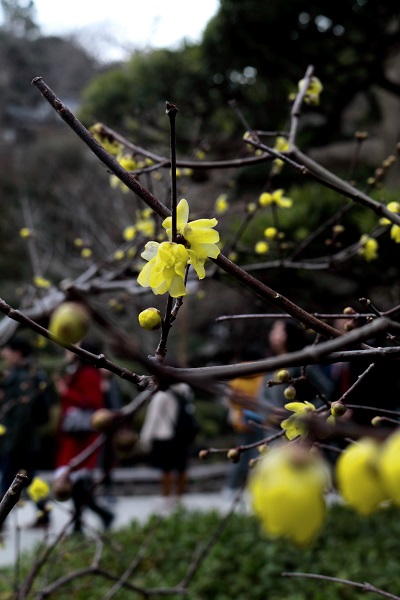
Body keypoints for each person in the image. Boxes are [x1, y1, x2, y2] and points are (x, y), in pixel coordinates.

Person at [54, 341, 114, 533]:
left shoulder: (88, 374)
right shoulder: (78, 372)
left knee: (79, 483)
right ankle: (84, 521)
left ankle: (89, 519)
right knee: (77, 483)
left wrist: (67, 393)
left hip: (81, 437)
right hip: (75, 435)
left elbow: (94, 402)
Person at [0, 336, 51, 527]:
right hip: (20, 439)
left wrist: (11, 442)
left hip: (19, 440)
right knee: (27, 479)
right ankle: (44, 512)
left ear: (17, 353)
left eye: (7, 352)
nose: (4, 355)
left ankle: (1, 520)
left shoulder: (26, 377)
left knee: (8, 479)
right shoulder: (19, 374)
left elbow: (22, 415)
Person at [139, 382, 197, 503]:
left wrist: (145, 438)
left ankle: (166, 497)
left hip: (164, 435)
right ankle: (180, 497)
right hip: (181, 436)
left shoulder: (161, 394)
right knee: (181, 468)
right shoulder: (185, 389)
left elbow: (153, 417)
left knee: (166, 469)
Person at [224, 347, 266, 493]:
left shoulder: (237, 378)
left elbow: (232, 402)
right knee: (258, 453)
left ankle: (231, 486)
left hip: (242, 419)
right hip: (261, 420)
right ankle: (254, 486)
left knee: (239, 454)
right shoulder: (263, 376)